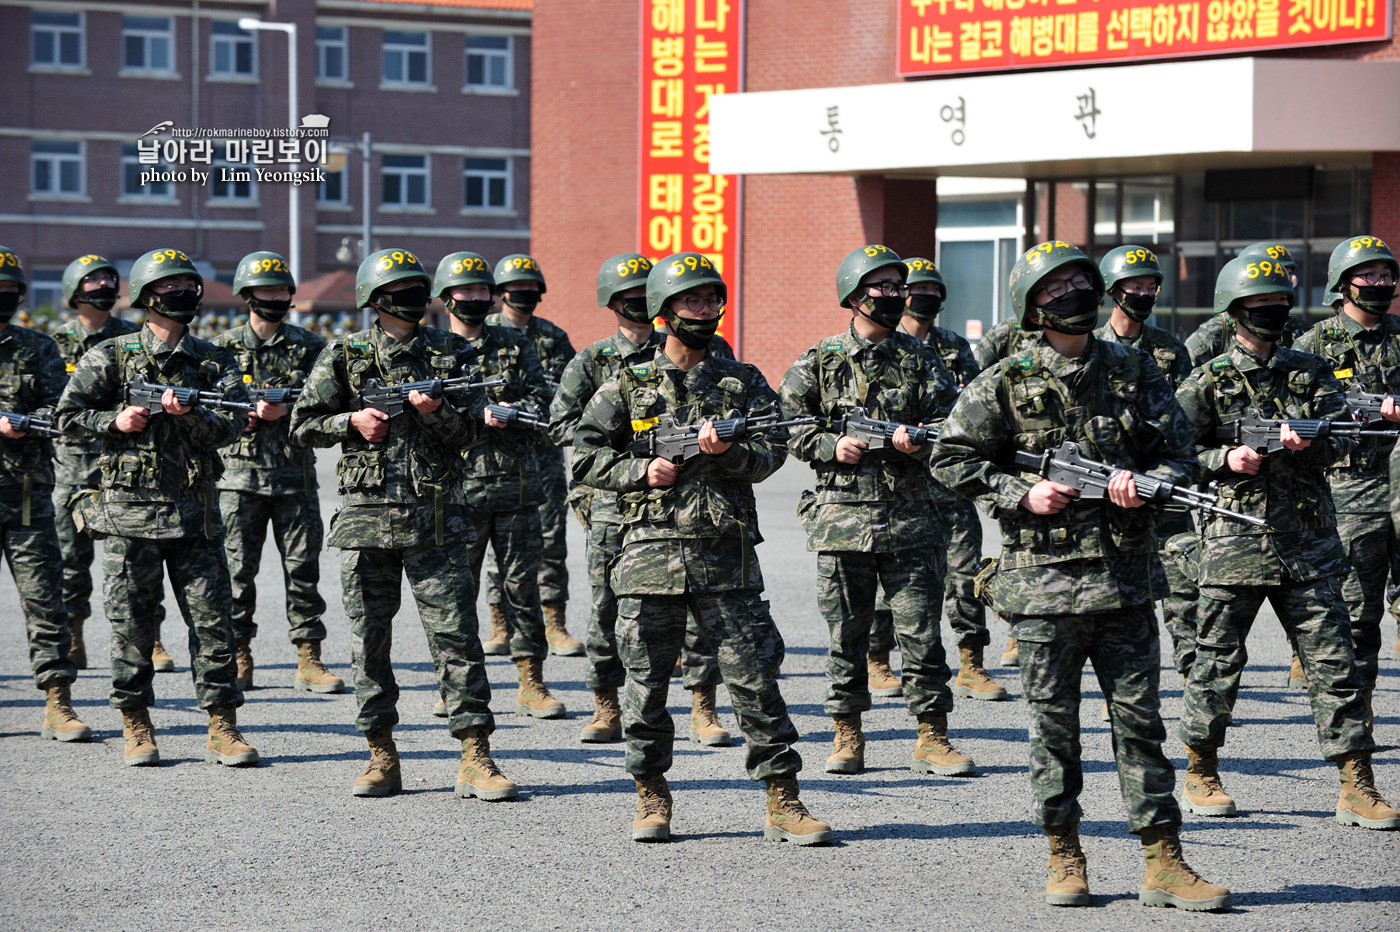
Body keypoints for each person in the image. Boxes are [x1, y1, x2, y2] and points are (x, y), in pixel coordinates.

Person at [932, 241, 1231, 910]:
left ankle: (1165, 861)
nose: (1075, 292)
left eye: (1081, 282)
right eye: (1058, 285)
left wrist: (1146, 484)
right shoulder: (1003, 381)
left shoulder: (1135, 370)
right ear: (1034, 305)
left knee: (1140, 726)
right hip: (1041, 591)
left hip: (1124, 584)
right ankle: (1064, 853)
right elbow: (949, 461)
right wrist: (1020, 492)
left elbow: (1184, 457)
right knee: (1053, 731)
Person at [572, 251, 831, 845]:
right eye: (690, 300)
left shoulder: (741, 382)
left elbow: (774, 451)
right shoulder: (628, 384)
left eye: (711, 299)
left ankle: (783, 800)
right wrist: (641, 473)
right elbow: (584, 452)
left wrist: (729, 455)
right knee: (646, 684)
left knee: (756, 680)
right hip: (648, 556)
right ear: (664, 311)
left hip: (726, 554)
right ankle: (651, 795)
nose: (703, 309)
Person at [1173, 252, 1397, 831]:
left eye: (1278, 303)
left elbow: (1340, 444)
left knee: (1334, 663)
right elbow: (1171, 456)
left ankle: (1356, 781)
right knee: (1218, 662)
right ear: (1234, 311)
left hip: (1311, 540)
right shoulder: (1208, 380)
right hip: (1235, 539)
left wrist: (1307, 446)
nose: (1271, 312)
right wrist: (1224, 458)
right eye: (1258, 305)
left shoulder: (1310, 371)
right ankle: (1201, 768)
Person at [289, 248, 515, 801]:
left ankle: (475, 755)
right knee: (369, 641)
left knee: (456, 639)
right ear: (376, 298)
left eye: (420, 287)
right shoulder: (345, 355)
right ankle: (380, 754)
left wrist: (437, 414)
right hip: (367, 523)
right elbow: (302, 425)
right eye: (402, 288)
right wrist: (352, 420)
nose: (415, 297)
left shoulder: (449, 353)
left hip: (436, 520)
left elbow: (472, 436)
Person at [54, 248, 255, 767]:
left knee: (213, 624)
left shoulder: (214, 361)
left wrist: (187, 414)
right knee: (131, 625)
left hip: (196, 518)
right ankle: (136, 723)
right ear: (147, 297)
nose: (183, 295)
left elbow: (232, 426)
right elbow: (68, 417)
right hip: (129, 516)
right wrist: (116, 421)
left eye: (190, 286)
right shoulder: (112, 356)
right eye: (171, 288)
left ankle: (222, 725)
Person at [781, 245, 973, 779]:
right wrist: (830, 447)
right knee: (848, 636)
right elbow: (790, 426)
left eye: (897, 287)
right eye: (880, 287)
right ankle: (848, 734)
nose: (892, 296)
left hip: (912, 519)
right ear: (853, 294)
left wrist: (920, 442)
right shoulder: (818, 361)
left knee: (922, 635)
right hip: (841, 523)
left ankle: (933, 737)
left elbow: (954, 425)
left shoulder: (921, 358)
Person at [549, 253, 733, 745]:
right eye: (628, 299)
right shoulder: (594, 362)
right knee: (612, 610)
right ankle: (607, 704)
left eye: (641, 298)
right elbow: (565, 426)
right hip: (614, 508)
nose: (636, 306)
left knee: (702, 612)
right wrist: (637, 449)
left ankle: (703, 705)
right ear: (614, 303)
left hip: (695, 504)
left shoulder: (694, 350)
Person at [432, 250, 565, 720]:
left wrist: (508, 409)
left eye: (481, 291)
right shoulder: (430, 347)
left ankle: (531, 682)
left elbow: (545, 398)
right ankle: (455, 686)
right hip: (454, 489)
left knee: (522, 588)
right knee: (452, 594)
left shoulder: (512, 342)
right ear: (446, 297)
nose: (474, 298)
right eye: (464, 291)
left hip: (515, 486)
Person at [212, 251, 341, 694]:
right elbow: (203, 413)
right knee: (235, 573)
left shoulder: (310, 347)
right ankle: (239, 653)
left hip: (295, 480)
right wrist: (238, 417)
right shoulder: (221, 349)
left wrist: (288, 411)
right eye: (267, 291)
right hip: (237, 481)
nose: (277, 298)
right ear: (247, 295)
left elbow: (328, 409)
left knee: (303, 570)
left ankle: (309, 657)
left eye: (283, 291)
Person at [878, 256, 1004, 702]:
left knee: (966, 573)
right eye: (918, 291)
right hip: (900, 486)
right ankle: (878, 660)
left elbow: (972, 403)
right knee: (895, 578)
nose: (926, 298)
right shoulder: (884, 347)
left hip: (950, 482)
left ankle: (971, 663)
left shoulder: (952, 347)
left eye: (935, 292)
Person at [1294, 236, 1400, 722]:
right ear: (1344, 284)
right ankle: (1360, 721)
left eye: (1386, 276)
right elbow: (1287, 415)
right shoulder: (1314, 345)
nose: (1380, 284)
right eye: (1369, 276)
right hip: (1350, 499)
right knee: (1357, 618)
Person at [1094, 246, 1198, 682]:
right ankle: (1120, 689)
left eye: (1150, 286)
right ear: (1113, 292)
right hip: (1112, 490)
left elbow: (1187, 422)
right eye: (1133, 286)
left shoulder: (1171, 350)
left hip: (1165, 486)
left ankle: (1197, 681)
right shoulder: (1093, 349)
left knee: (1186, 589)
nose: (1143, 293)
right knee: (1117, 595)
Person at [0, 245, 90, 744]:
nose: (4, 298)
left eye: (10, 291)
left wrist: (24, 424)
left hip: (27, 496)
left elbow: (62, 413)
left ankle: (59, 702)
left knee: (45, 602)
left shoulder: (38, 347)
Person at [49, 254, 148, 671]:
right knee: (71, 558)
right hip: (74, 467)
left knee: (140, 556)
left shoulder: (133, 336)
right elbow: (54, 408)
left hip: (127, 464)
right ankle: (74, 634)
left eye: (110, 279)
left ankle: (151, 639)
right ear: (75, 292)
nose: (105, 286)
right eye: (94, 281)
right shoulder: (54, 344)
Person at [484, 255, 581, 657]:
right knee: (497, 547)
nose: (523, 295)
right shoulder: (484, 332)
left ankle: (553, 622)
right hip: (494, 458)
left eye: (530, 288)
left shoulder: (552, 336)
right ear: (501, 292)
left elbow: (563, 391)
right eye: (515, 288)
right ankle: (500, 624)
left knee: (550, 539)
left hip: (543, 456)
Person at [1183, 241, 1308, 368]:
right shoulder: (1212, 334)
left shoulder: (1300, 330)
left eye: (1288, 276)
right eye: (1274, 274)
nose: (1280, 282)